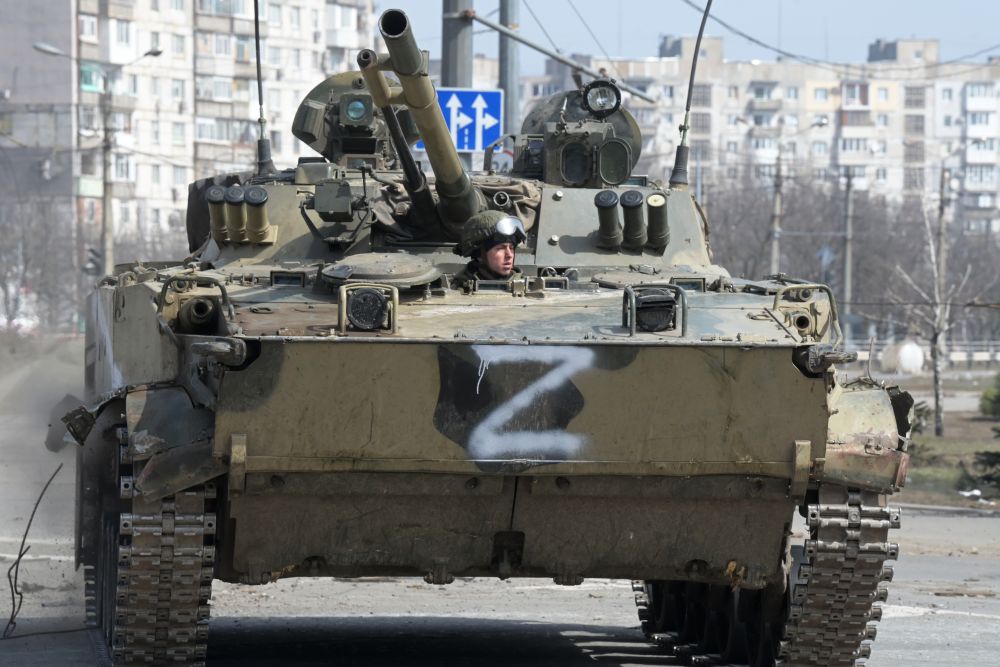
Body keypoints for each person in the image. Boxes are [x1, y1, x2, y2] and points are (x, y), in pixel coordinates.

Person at [452, 210, 527, 287]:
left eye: (511, 248)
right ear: (479, 255)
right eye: (501, 248)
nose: (509, 255)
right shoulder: (459, 288)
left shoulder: (527, 286)